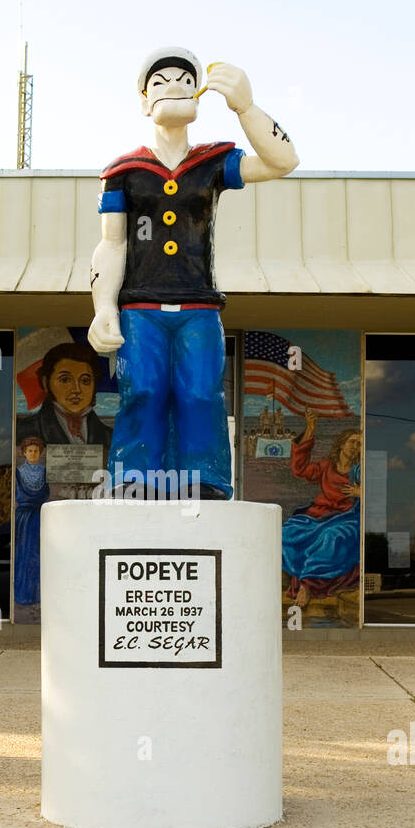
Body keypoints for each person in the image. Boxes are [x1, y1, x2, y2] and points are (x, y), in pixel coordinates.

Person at [88, 46, 299, 499]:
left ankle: (205, 480)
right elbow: (113, 241)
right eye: (161, 82)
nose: (175, 87)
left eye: (185, 80)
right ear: (145, 101)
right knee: (141, 390)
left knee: (201, 395)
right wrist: (103, 305)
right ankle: (133, 477)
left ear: (198, 95)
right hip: (140, 307)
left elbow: (283, 161)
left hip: (199, 306)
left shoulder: (212, 163)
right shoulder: (122, 171)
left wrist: (246, 106)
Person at [282, 409, 362, 609]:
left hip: (347, 518)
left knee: (331, 537)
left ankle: (307, 585)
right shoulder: (327, 466)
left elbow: (379, 496)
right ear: (342, 444)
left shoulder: (360, 470)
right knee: (287, 532)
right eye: (353, 441)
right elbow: (299, 469)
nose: (356, 446)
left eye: (360, 443)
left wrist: (363, 493)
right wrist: (310, 429)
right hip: (318, 515)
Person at [16, 342, 111, 449]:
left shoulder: (110, 437)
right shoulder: (22, 431)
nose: (77, 389)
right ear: (45, 383)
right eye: (65, 380)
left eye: (85, 380)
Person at [13, 436, 50, 606]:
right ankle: (24, 594)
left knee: (40, 554)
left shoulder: (44, 472)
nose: (33, 453)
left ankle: (38, 594)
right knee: (24, 554)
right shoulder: (18, 472)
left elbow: (45, 494)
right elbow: (20, 493)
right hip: (24, 518)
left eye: (36, 451)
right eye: (30, 451)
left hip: (40, 516)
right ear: (24, 453)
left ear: (40, 453)